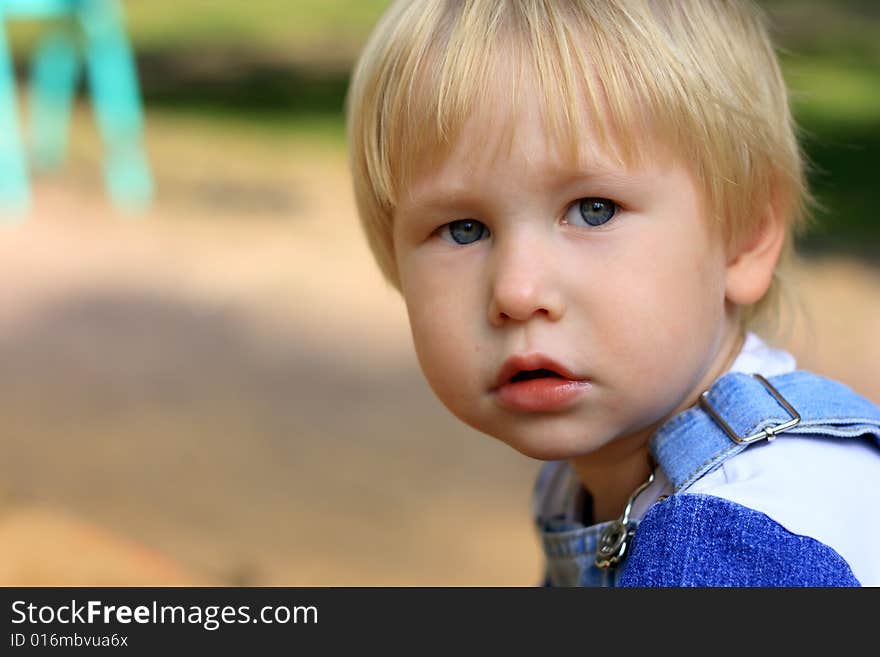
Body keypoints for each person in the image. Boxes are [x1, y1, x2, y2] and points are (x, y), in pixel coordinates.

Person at [345, 0, 880, 586]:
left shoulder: (733, 547)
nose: (519, 292)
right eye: (464, 229)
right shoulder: (586, 479)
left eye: (593, 211)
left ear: (745, 236)